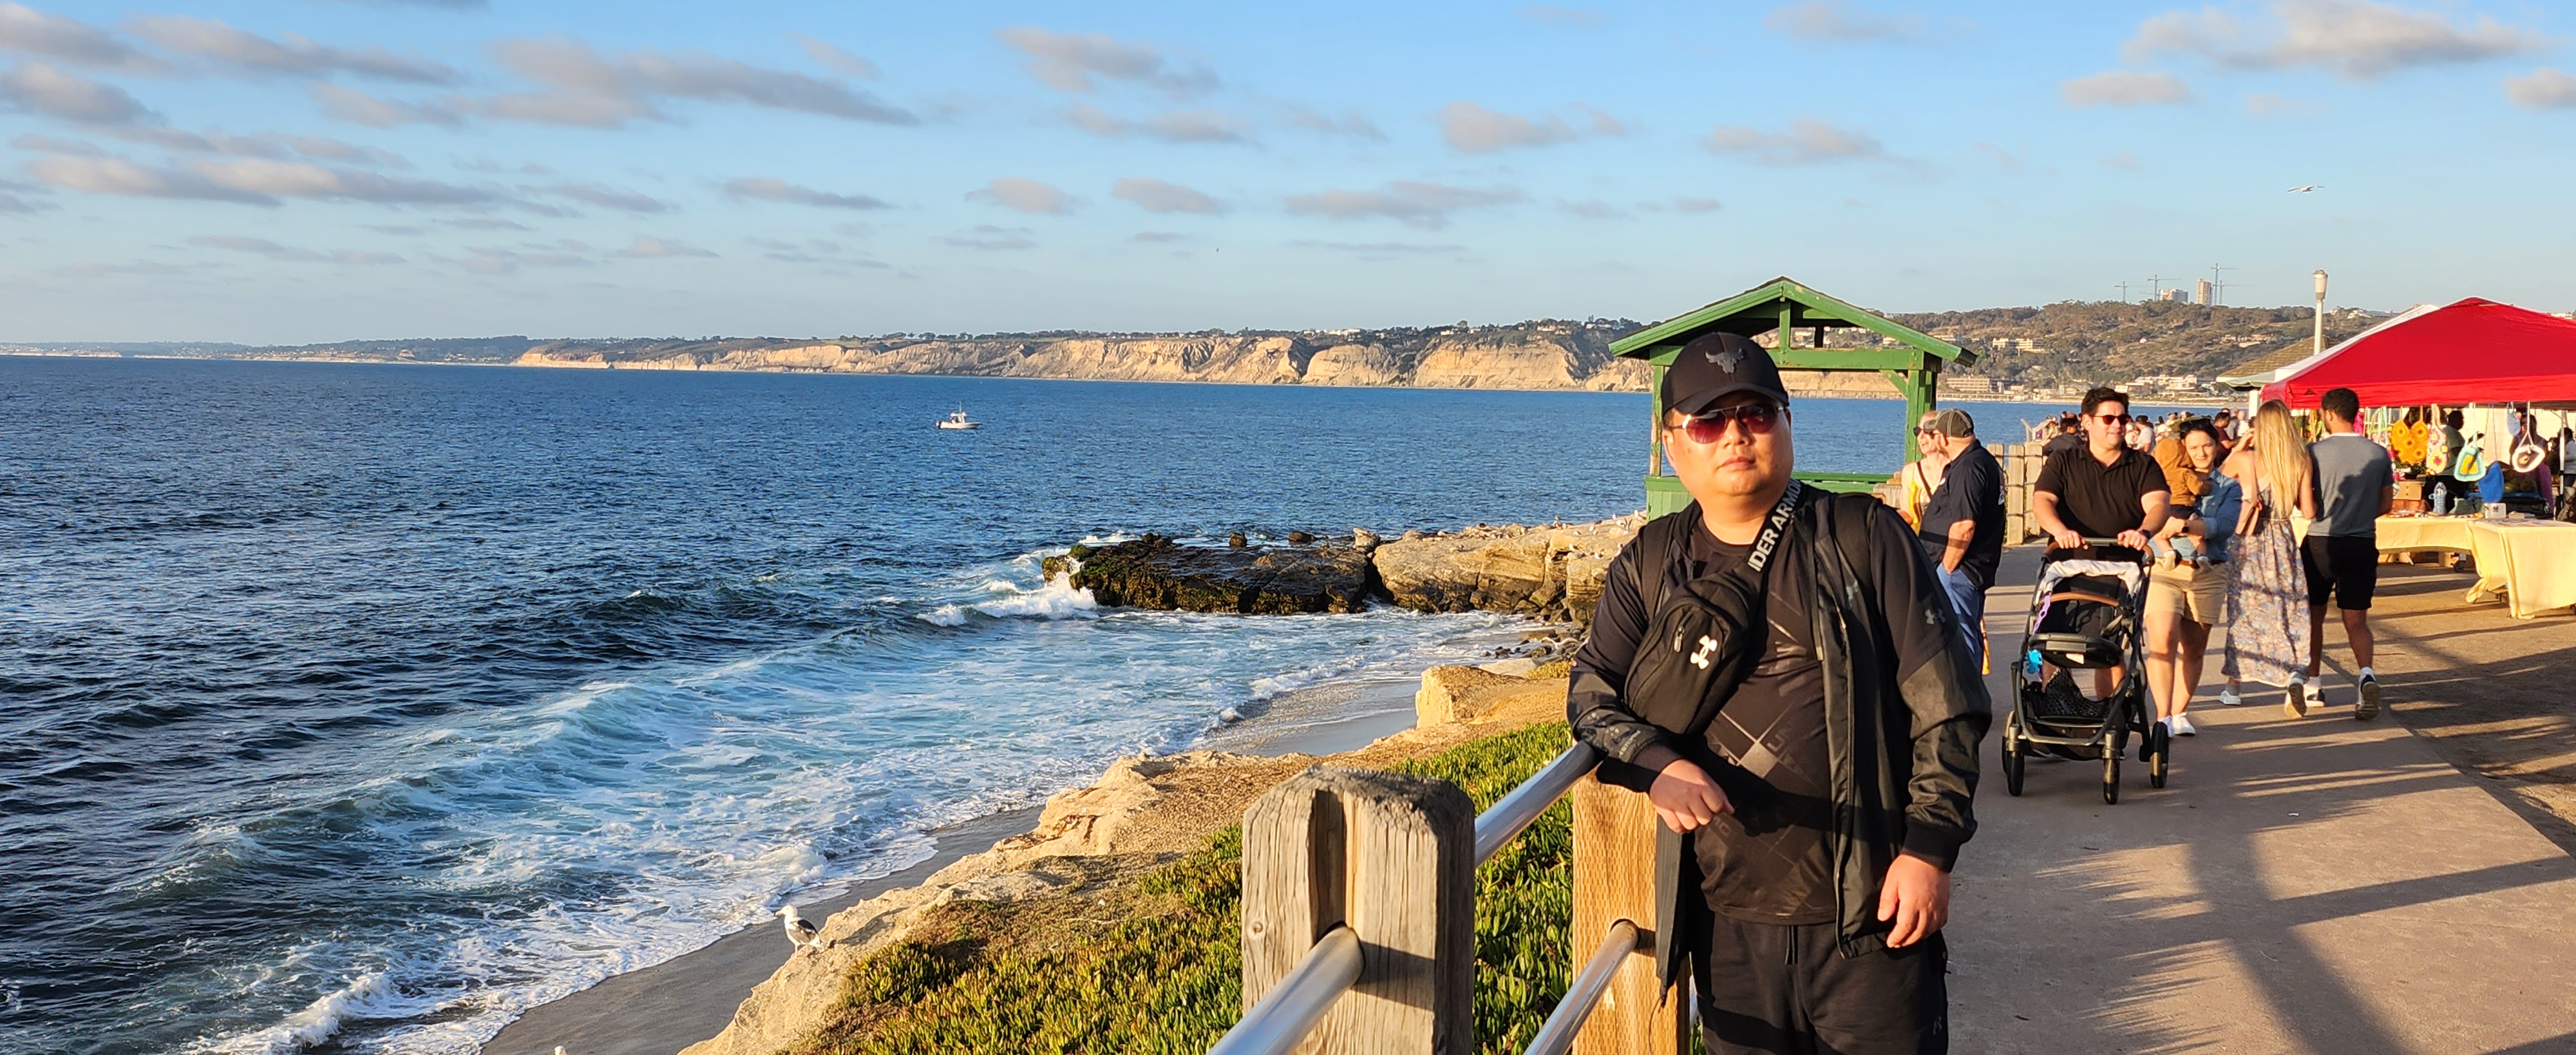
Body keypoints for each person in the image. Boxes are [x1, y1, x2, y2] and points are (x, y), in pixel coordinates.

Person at [1567, 330, 1987, 1055]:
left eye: (1755, 413)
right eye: (1708, 420)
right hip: (1724, 925)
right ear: (1673, 444)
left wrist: (1930, 850)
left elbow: (1946, 705)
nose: (1735, 434)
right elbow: (1589, 697)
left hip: (1872, 913)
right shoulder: (1651, 562)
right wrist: (1656, 765)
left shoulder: (1863, 537)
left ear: (1787, 423)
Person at [2031, 387, 2172, 697]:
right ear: (2087, 422)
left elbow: (2158, 504)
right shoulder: (2064, 461)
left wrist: (2143, 531)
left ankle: (2111, 710)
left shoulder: (2142, 466)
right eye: (2108, 418)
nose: (2117, 425)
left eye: (2123, 418)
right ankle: (2054, 704)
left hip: (2120, 571)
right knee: (2054, 641)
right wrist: (2059, 530)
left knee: (2111, 648)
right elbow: (2043, 501)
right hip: (2068, 567)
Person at [2143, 419, 2240, 734]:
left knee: (2194, 649)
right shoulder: (2160, 481)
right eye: (2193, 447)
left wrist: (2184, 526)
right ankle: (2162, 718)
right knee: (2162, 640)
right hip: (2164, 568)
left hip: (2208, 571)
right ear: (2182, 449)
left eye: (2207, 445)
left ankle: (2179, 712)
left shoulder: (2228, 487)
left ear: (2217, 445)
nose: (2201, 453)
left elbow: (2224, 526)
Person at [2219, 401, 2315, 713]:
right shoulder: (2300, 460)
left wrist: (2237, 448)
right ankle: (2294, 675)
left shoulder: (2243, 459)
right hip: (2283, 540)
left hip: (2247, 543)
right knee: (2289, 611)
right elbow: (2308, 511)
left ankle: (2234, 686)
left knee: (2244, 611)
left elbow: (2214, 489)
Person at [2304, 386, 2394, 719]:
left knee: (2313, 617)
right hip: (2361, 541)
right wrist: (2361, 516)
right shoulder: (2379, 454)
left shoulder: (2313, 452)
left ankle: (2313, 684)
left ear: (2328, 413)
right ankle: (2366, 676)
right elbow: (2387, 503)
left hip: (2321, 540)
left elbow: (2307, 504)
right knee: (2357, 620)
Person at [1917, 408, 2002, 662]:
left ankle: (1969, 687)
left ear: (1944, 438)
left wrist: (1947, 569)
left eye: (1933, 434)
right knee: (1962, 634)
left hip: (1960, 570)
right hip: (1966, 568)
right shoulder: (1979, 461)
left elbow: (1964, 525)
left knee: (1961, 639)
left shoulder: (1969, 467)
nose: (1929, 439)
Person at [1893, 412, 1949, 531]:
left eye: (1927, 431)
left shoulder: (1958, 468)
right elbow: (1907, 515)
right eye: (1918, 431)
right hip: (1920, 539)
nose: (1921, 437)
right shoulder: (1911, 472)